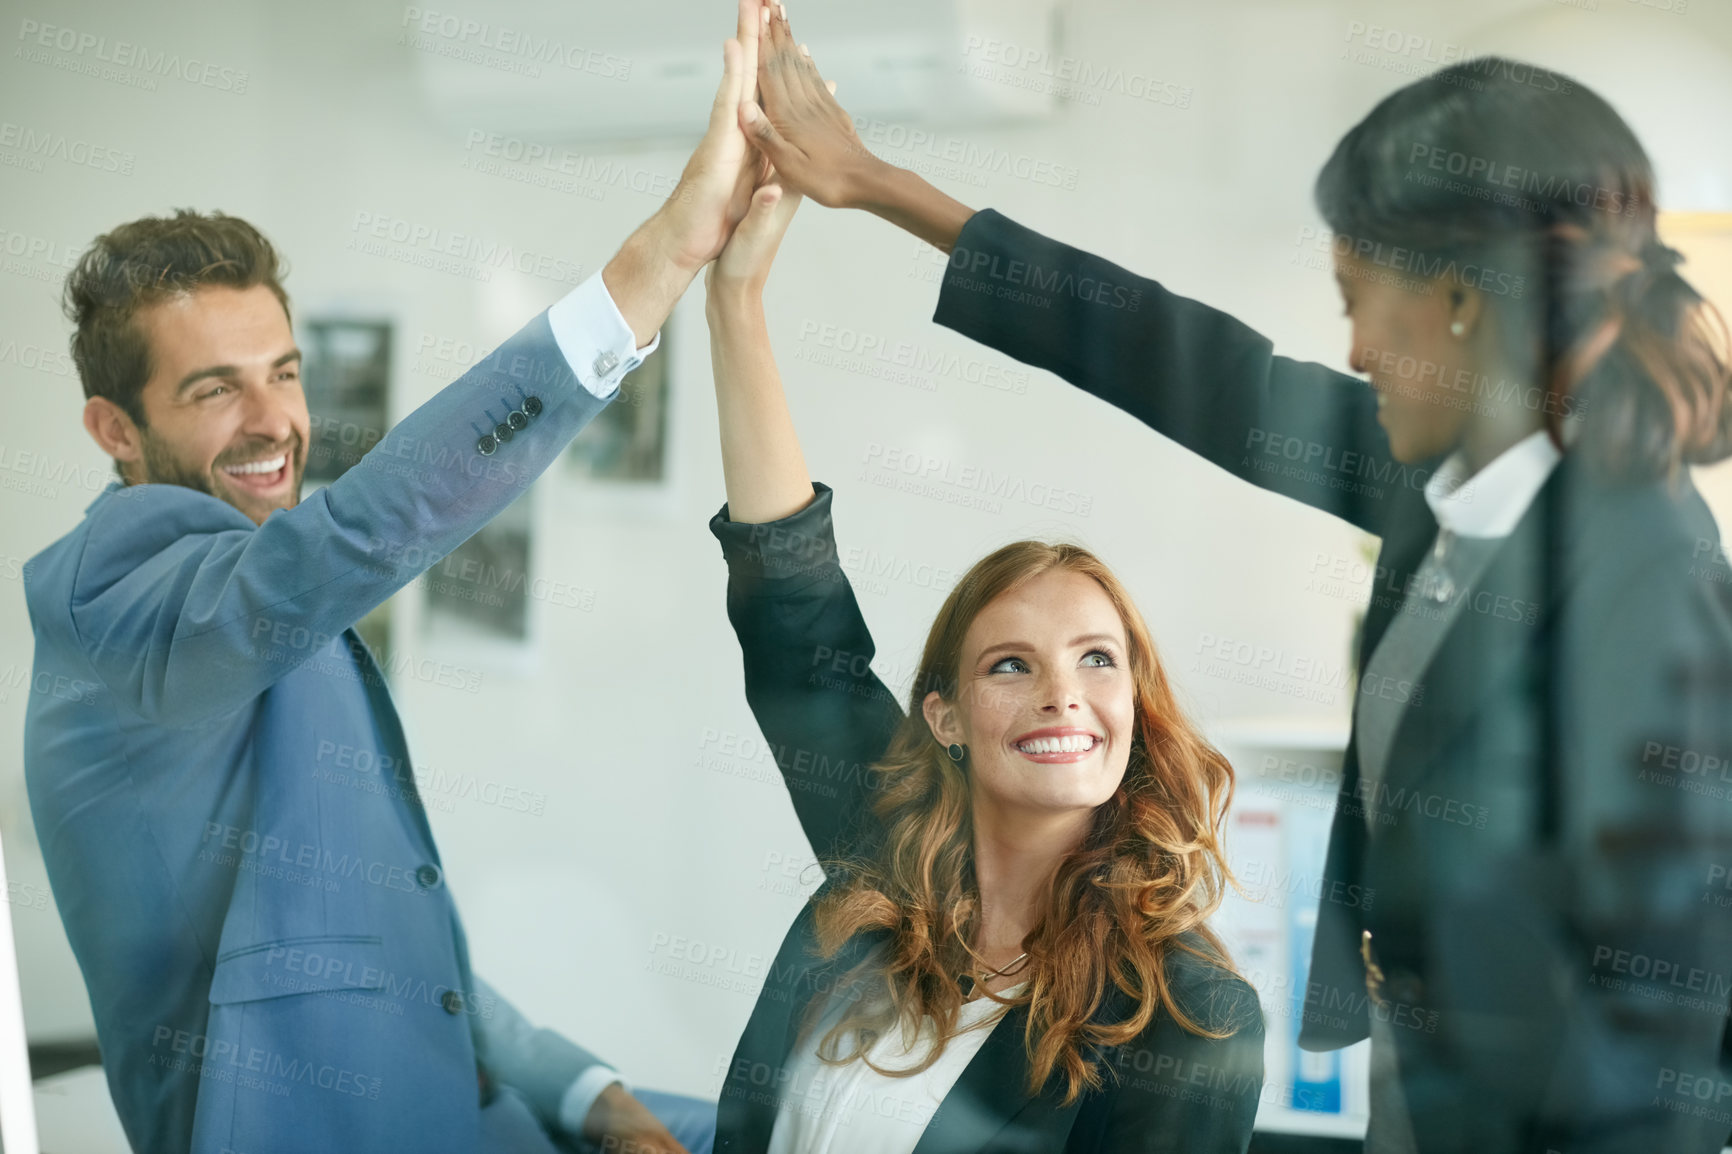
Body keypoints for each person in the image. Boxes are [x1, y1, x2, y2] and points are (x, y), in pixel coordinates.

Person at [733, 12, 1732, 1152]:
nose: (1350, 348)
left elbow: (1664, 1013)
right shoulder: (1443, 483)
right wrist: (879, 188)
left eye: (1358, 297)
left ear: (1457, 304)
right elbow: (1195, 367)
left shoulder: (1644, 578)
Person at [19, 4, 781, 1150]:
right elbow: (365, 528)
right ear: (112, 429)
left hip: (482, 1106)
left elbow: (401, 948)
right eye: (213, 388)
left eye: (283, 370)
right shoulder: (120, 603)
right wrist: (660, 255)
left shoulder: (249, 588)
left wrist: (595, 1097)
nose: (276, 420)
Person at [699, 158, 1264, 1153]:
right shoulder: (882, 862)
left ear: (1137, 705)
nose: (1062, 695)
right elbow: (795, 620)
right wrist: (734, 297)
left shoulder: (1192, 1018)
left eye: (1098, 659)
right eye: (1011, 664)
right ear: (943, 714)